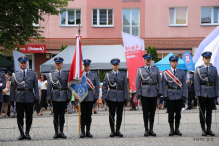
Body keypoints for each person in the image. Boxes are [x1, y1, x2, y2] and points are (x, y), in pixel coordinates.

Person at [10, 56, 39, 140]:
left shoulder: (33, 74)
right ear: (19, 64)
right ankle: (21, 133)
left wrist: (37, 99)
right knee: (20, 116)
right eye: (21, 63)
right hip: (19, 97)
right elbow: (12, 88)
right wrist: (12, 99)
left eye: (24, 62)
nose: (23, 64)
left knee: (29, 116)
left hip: (30, 97)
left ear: (27, 63)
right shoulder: (15, 74)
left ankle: (27, 132)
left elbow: (36, 87)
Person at [136, 53, 162, 137]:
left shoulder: (156, 69)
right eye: (147, 59)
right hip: (144, 93)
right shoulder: (140, 70)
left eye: (149, 59)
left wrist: (160, 92)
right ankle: (146, 129)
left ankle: (151, 129)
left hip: (154, 92)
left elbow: (159, 81)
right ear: (144, 60)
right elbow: (137, 82)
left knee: (152, 112)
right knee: (145, 112)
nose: (148, 61)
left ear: (151, 60)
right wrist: (139, 93)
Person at [194, 51, 218, 136]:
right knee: (202, 112)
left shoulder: (214, 69)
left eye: (209, 58)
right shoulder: (198, 69)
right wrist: (197, 94)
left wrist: (216, 94)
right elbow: (196, 83)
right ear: (203, 59)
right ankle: (203, 129)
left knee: (209, 112)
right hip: (202, 93)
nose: (208, 59)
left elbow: (216, 82)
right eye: (206, 58)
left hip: (211, 93)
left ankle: (209, 129)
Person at [102, 58, 128, 137]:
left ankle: (118, 130)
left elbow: (125, 87)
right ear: (111, 65)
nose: (115, 66)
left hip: (120, 96)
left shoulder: (123, 74)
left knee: (119, 115)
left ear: (118, 65)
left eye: (117, 65)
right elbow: (104, 86)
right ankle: (112, 131)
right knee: (111, 114)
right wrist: (104, 97)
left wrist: (125, 97)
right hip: (111, 96)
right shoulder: (108, 75)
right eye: (114, 65)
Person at [162, 55, 186, 136]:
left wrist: (184, 96)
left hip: (179, 94)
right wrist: (165, 96)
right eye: (173, 61)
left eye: (176, 61)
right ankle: (171, 129)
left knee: (178, 114)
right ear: (170, 62)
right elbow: (163, 85)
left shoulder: (181, 72)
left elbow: (184, 86)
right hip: (170, 95)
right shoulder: (166, 73)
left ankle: (177, 129)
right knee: (171, 113)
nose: (175, 63)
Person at [47, 57, 71, 139]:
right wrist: (48, 98)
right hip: (55, 96)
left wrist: (69, 97)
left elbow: (69, 86)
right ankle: (56, 132)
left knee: (62, 115)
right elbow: (49, 87)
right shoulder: (51, 74)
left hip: (64, 96)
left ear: (62, 64)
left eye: (60, 63)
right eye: (57, 63)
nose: (58, 64)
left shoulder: (66, 74)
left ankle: (61, 131)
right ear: (55, 64)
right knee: (55, 115)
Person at [80, 59, 99, 138]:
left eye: (87, 66)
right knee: (83, 115)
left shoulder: (94, 75)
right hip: (82, 97)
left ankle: (88, 131)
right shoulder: (80, 75)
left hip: (91, 97)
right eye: (85, 66)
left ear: (90, 66)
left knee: (89, 115)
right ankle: (82, 132)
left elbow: (97, 87)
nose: (86, 67)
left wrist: (96, 97)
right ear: (83, 66)